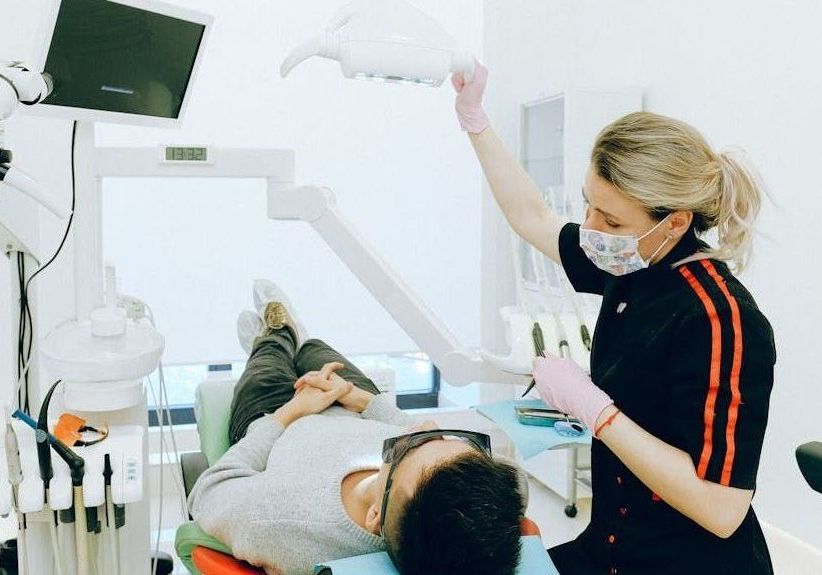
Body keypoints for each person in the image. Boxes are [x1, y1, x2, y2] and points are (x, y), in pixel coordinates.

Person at [451, 63, 776, 574]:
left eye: (611, 219)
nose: (591, 229)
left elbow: (722, 508)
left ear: (676, 222)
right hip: (612, 545)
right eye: (589, 206)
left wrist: (596, 411)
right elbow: (531, 217)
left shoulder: (721, 320)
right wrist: (475, 122)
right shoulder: (630, 261)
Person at [188, 280, 528, 575]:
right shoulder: (467, 513)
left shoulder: (280, 520)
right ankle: (300, 337)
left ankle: (275, 332)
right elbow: (516, 481)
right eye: (447, 437)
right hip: (354, 404)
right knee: (317, 350)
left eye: (413, 443)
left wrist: (293, 410)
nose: (423, 423)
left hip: (276, 414)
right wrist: (363, 401)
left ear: (375, 515)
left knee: (269, 359)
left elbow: (208, 493)